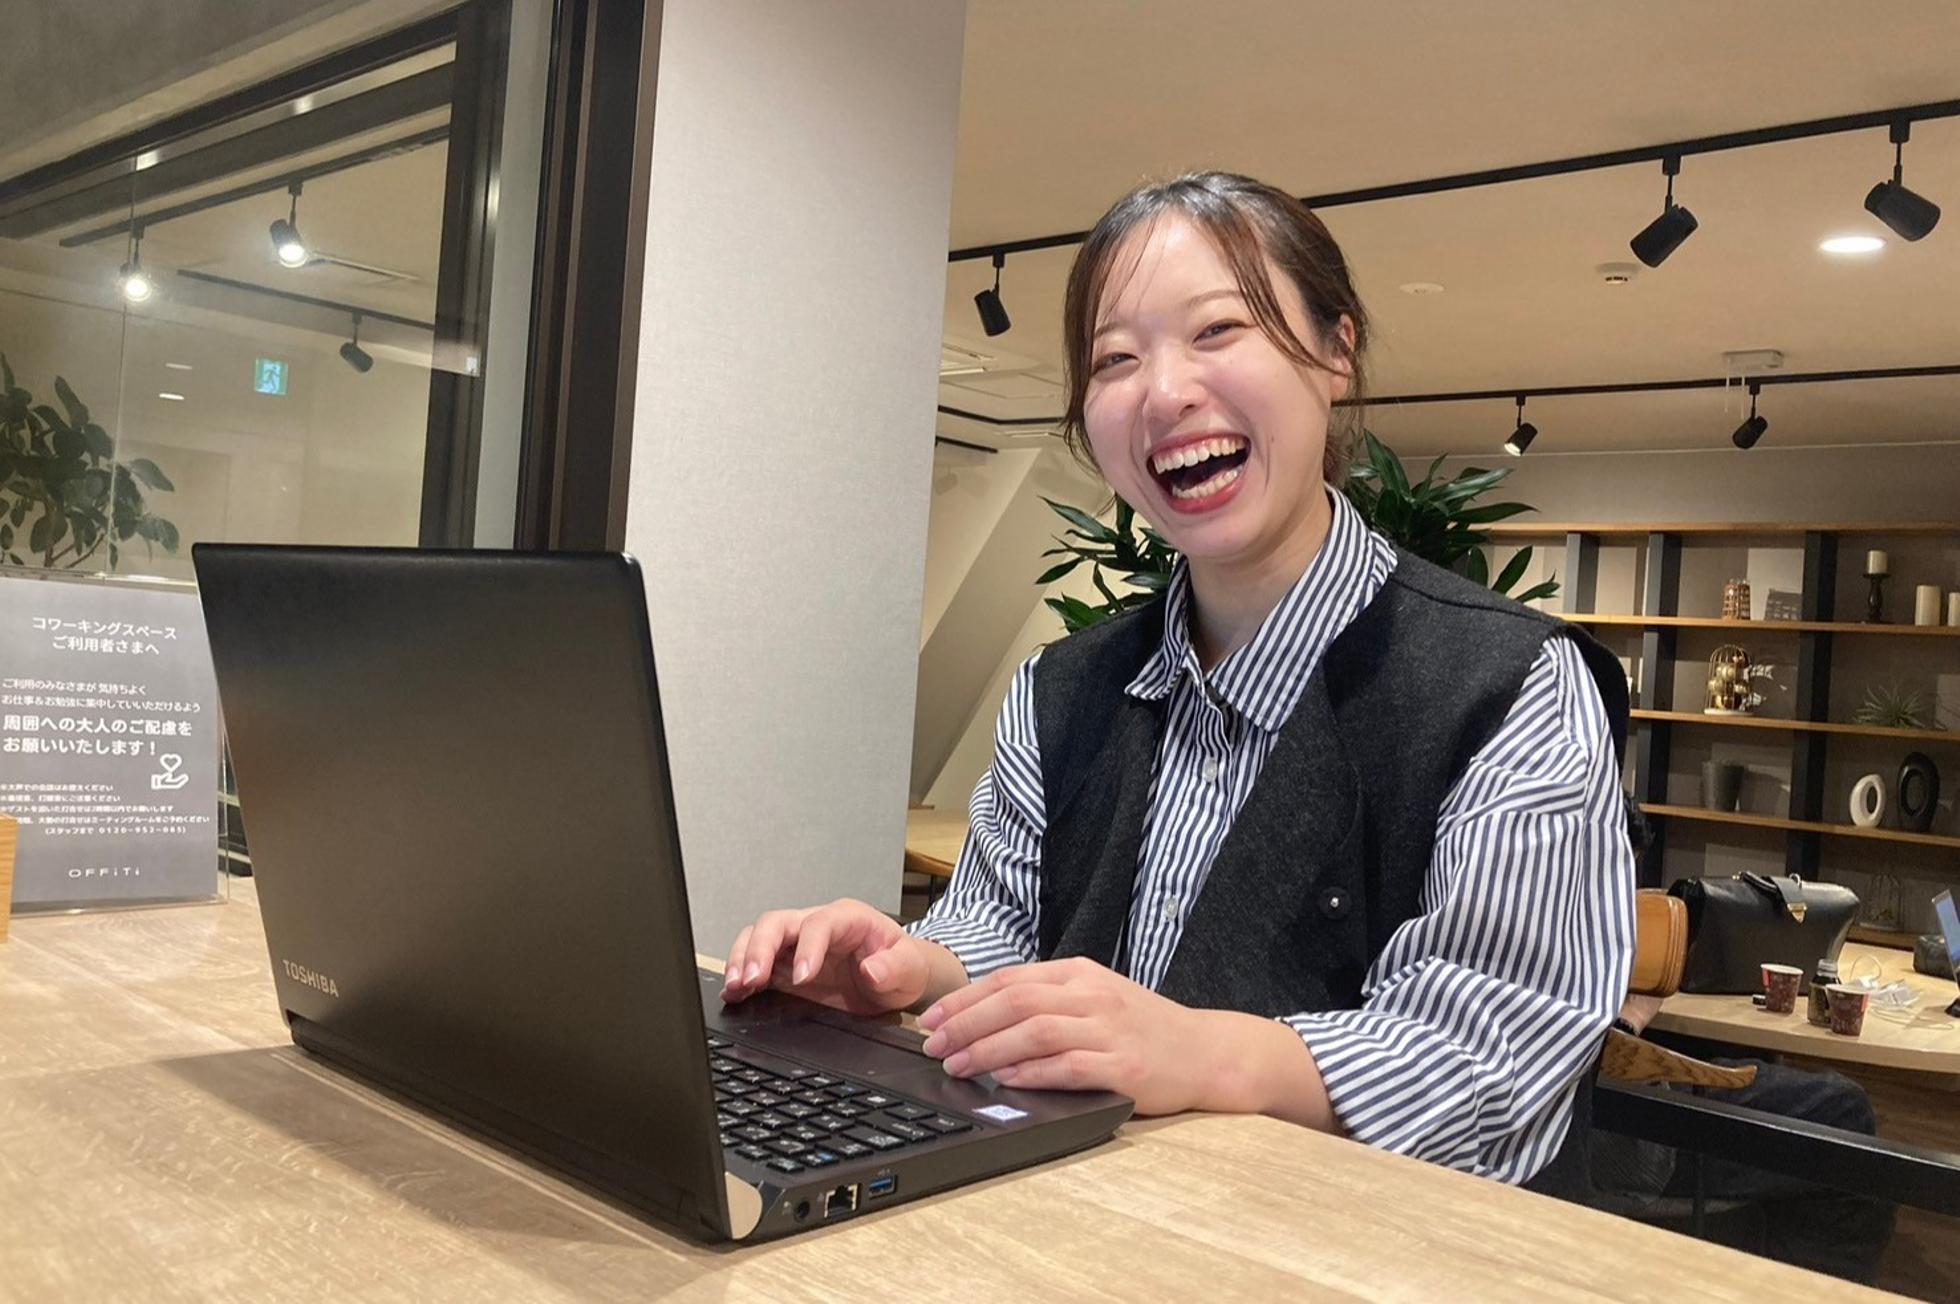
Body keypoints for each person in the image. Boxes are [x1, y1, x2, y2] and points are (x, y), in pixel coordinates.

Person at [722, 171, 1636, 1191]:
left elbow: (1496, 1054)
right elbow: (1005, 922)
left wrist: (1203, 1053)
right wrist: (908, 970)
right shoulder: (1063, 688)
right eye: (1115, 358)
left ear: (1336, 351)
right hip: (1080, 1229)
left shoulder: (1510, 684)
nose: (1163, 392)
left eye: (1217, 330)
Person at [1590, 803, 1895, 1281]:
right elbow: (1581, 1057)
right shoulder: (1562, 927)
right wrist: (1633, 1016)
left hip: (1627, 1106)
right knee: (1846, 1111)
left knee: (1769, 1071)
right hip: (1629, 1140)